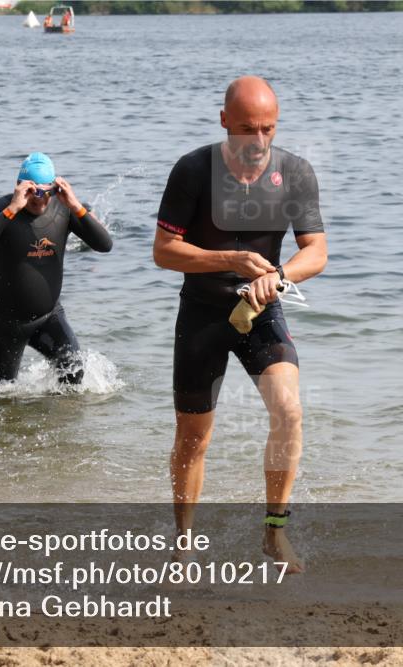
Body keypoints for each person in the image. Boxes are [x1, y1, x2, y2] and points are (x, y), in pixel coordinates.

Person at [152, 76, 328, 573]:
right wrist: (229, 257)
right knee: (192, 439)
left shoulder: (294, 172)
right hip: (203, 313)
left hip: (261, 308)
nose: (258, 141)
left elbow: (317, 250)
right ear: (224, 119)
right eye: (247, 128)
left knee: (289, 412)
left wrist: (278, 275)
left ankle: (275, 534)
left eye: (268, 129)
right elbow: (164, 252)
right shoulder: (192, 170)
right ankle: (183, 542)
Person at [0, 153, 112, 386]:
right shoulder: (0, 209)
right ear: (19, 187)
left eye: (47, 192)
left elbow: (105, 245)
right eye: (32, 192)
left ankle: (55, 421)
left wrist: (75, 205)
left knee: (74, 373)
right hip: (5, 323)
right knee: (2, 395)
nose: (40, 200)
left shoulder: (65, 209)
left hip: (49, 317)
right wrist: (12, 209)